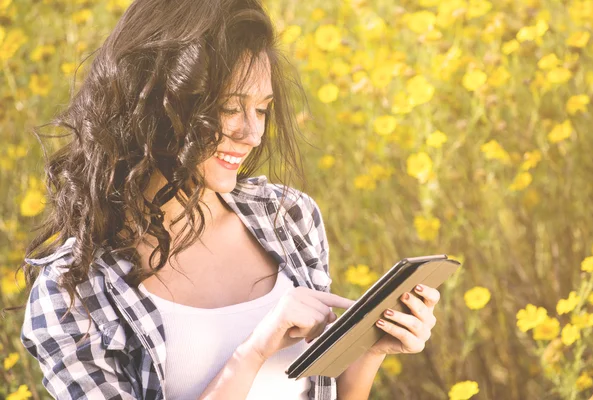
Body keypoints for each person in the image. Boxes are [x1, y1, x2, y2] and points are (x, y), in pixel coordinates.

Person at [17, 0, 441, 399]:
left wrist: (371, 348)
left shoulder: (289, 217)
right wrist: (253, 351)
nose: (252, 134)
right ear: (156, 104)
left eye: (261, 110)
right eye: (228, 108)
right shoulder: (71, 291)